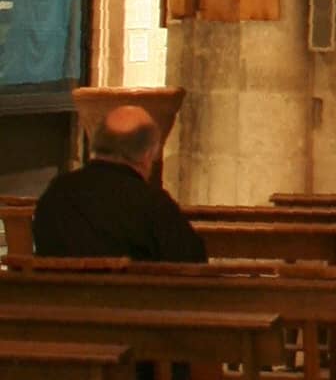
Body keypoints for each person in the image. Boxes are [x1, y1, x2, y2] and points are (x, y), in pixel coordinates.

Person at [31, 104, 207, 262]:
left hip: (61, 297)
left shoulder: (56, 193)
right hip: (136, 298)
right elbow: (193, 265)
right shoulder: (153, 204)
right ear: (147, 155)